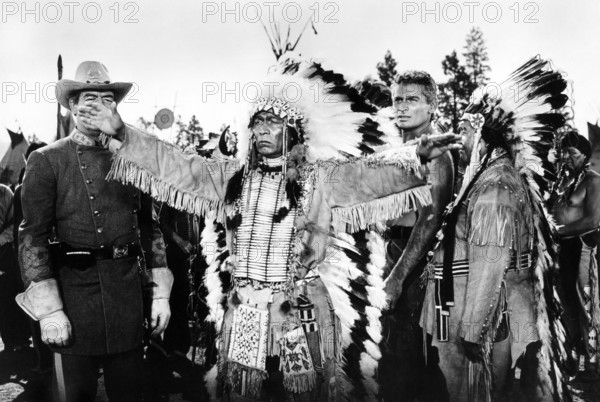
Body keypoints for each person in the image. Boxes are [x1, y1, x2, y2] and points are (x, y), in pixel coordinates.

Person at [78, 56, 461, 401]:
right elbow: (173, 163)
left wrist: (415, 155)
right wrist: (122, 132)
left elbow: (367, 176)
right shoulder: (228, 178)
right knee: (245, 392)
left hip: (302, 311)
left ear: (291, 131)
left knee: (304, 392)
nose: (261, 130)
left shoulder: (320, 179)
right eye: (256, 123)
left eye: (271, 122)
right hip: (244, 309)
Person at [15, 61, 173, 402]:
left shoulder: (134, 159)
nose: (99, 106)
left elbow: (151, 228)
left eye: (106, 98)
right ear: (71, 105)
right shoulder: (46, 160)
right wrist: (49, 309)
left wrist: (160, 294)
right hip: (74, 298)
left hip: (127, 298)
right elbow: (33, 237)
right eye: (89, 97)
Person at [420, 57, 572, 401]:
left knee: (476, 392)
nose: (462, 137)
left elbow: (489, 261)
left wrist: (473, 330)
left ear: (483, 135)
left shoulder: (495, 186)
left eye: (467, 129)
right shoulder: (489, 179)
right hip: (471, 307)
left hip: (482, 319)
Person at [380, 71, 455, 401]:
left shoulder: (437, 155)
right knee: (391, 358)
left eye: (411, 99)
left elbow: (428, 222)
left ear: (432, 106)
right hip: (393, 252)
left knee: (411, 361)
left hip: (415, 267)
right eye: (397, 99)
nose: (402, 106)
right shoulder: (404, 151)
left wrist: (396, 279)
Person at [553, 131, 600, 381]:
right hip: (561, 251)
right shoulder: (563, 182)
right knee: (566, 305)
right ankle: (577, 361)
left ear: (585, 154)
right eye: (564, 153)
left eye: (572, 153)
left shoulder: (593, 180)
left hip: (582, 248)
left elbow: (593, 220)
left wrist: (558, 231)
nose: (567, 157)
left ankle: (592, 366)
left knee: (585, 305)